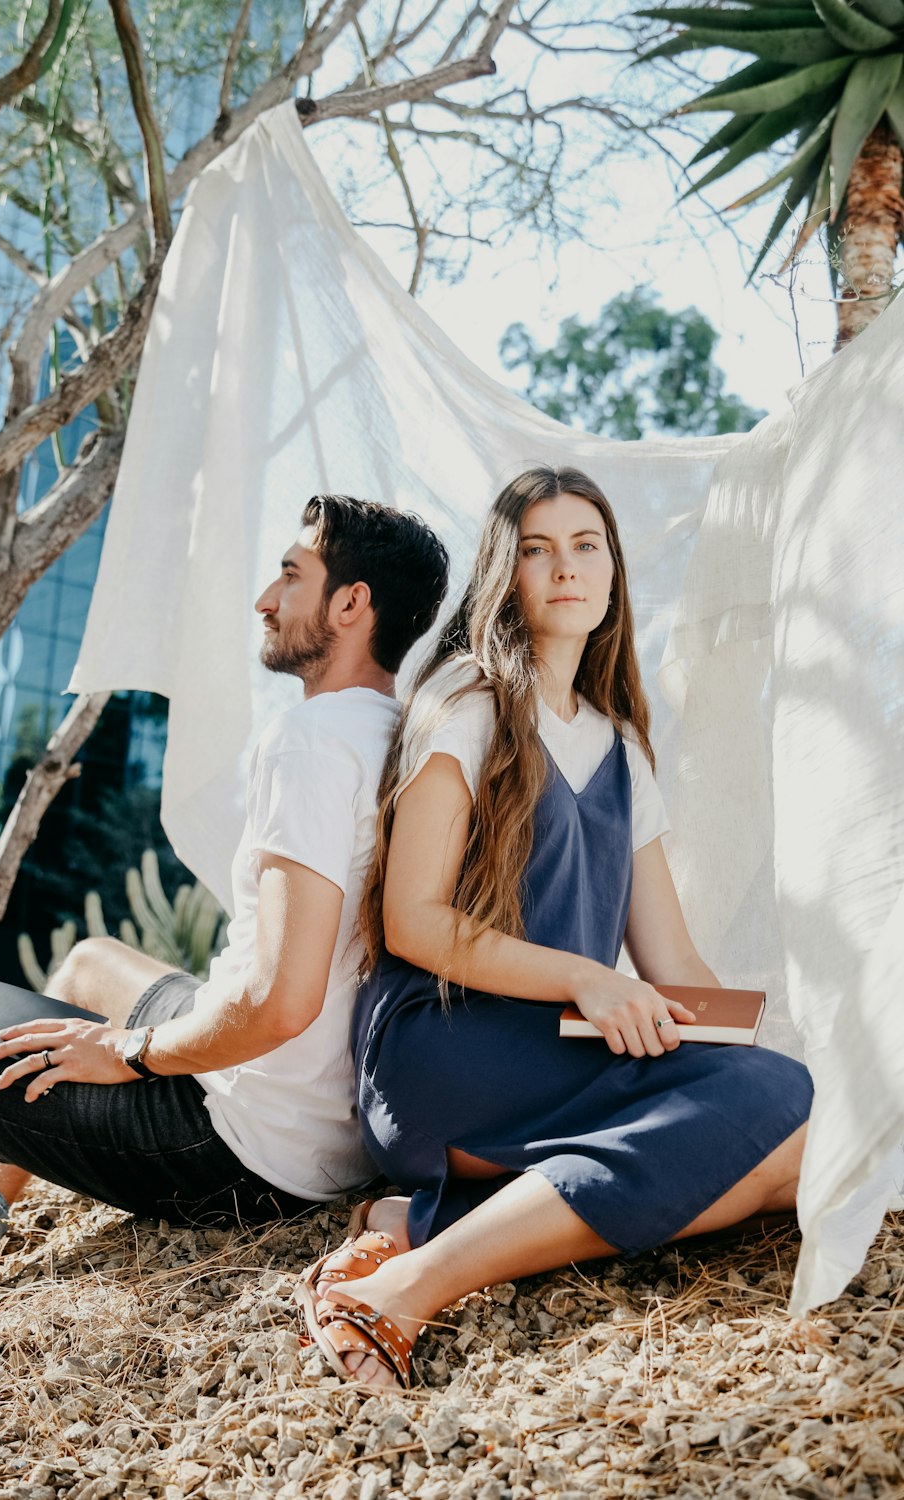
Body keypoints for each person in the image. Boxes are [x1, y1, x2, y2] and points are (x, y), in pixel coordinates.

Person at [298, 465, 813, 1391]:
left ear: (613, 574)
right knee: (768, 1106)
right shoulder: (467, 700)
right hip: (441, 1047)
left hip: (562, 1048)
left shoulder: (621, 747)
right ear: (508, 574)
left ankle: (418, 1226)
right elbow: (412, 922)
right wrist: (584, 978)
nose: (565, 568)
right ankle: (409, 1288)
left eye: (586, 547)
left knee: (796, 1139)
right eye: (537, 550)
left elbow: (671, 960)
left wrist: (753, 1032)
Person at [0, 494, 449, 1272]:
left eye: (291, 577)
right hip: (338, 1132)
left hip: (242, 1149)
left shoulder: (312, 742)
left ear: (352, 604)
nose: (266, 598)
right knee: (91, 960)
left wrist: (128, 1052)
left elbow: (281, 1002)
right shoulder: (402, 734)